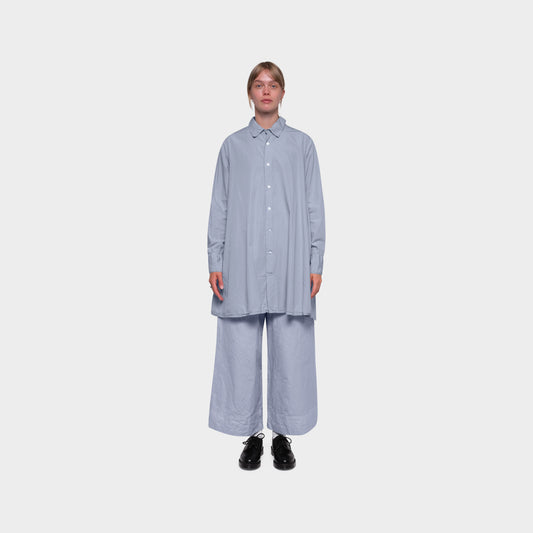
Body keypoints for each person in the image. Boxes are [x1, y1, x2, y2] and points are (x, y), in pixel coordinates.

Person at [206, 61, 326, 470]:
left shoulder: (302, 145)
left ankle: (283, 435)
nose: (266, 90)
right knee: (239, 350)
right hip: (242, 262)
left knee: (291, 349)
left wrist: (315, 260)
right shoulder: (232, 147)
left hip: (291, 262)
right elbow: (220, 206)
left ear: (283, 92)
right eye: (259, 84)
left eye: (273, 84)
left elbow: (314, 206)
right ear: (250, 93)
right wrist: (215, 258)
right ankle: (251, 435)